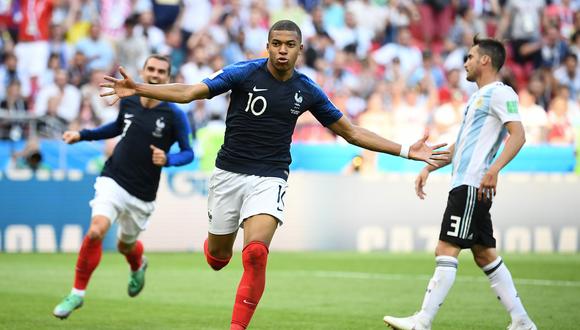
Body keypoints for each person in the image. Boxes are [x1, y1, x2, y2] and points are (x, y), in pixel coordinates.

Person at [99, 20, 449, 330]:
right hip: (228, 174)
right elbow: (190, 92)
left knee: (254, 254)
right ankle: (216, 247)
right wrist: (140, 88)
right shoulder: (243, 72)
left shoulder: (307, 90)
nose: (283, 51)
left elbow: (352, 132)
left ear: (300, 49)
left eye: (290, 45)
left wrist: (406, 150)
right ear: (267, 46)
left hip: (270, 176)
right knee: (218, 259)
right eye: (277, 44)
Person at [383, 36, 537, 330]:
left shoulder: (500, 93)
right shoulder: (476, 99)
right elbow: (459, 148)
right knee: (484, 254)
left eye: (469, 56)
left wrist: (494, 169)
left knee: (445, 249)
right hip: (467, 184)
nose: (464, 62)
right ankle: (522, 321)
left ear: (485, 60)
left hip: (471, 186)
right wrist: (429, 167)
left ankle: (422, 321)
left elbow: (518, 135)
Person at [52, 55, 194, 319]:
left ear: (167, 77)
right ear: (143, 71)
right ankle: (77, 294)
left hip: (142, 193)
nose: (154, 74)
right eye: (150, 69)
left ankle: (138, 264)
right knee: (96, 231)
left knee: (125, 246)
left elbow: (188, 153)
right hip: (114, 177)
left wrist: (169, 159)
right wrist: (81, 135)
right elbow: (116, 128)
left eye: (161, 71)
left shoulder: (174, 114)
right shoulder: (128, 100)